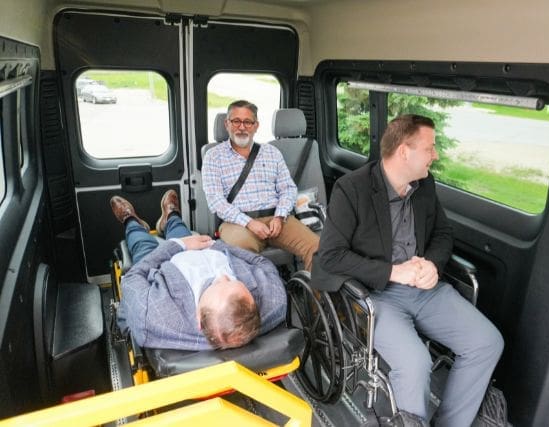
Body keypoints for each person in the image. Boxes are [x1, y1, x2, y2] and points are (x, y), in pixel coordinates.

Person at [315, 115, 504, 426]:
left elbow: (443, 234)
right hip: (375, 294)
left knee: (487, 342)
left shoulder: (424, 184)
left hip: (425, 289)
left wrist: (432, 263)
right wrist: (392, 272)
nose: (436, 154)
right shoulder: (352, 189)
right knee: (416, 363)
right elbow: (331, 256)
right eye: (430, 148)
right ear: (404, 151)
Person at [112, 189, 287, 351]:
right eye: (232, 281)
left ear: (198, 319)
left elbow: (132, 277)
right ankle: (171, 216)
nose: (222, 276)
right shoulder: (275, 301)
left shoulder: (155, 314)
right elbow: (262, 262)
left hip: (162, 266)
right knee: (179, 228)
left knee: (141, 242)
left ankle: (131, 220)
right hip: (206, 248)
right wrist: (217, 245)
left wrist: (178, 245)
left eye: (215, 284)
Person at [201, 100, 319, 271]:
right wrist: (249, 223)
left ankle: (313, 297)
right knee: (243, 256)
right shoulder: (213, 156)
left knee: (317, 248)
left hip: (276, 219)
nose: (242, 127)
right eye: (236, 121)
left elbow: (288, 188)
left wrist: (279, 216)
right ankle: (263, 294)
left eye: (248, 122)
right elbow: (215, 201)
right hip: (238, 223)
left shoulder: (272, 152)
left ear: (256, 126)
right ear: (227, 124)